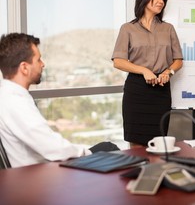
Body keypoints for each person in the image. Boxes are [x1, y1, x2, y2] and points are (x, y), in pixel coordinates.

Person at [0, 33, 119, 168]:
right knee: (109, 148)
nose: (42, 64)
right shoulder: (15, 102)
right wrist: (88, 152)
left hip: (43, 167)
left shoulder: (7, 95)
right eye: (38, 60)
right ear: (24, 68)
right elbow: (52, 147)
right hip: (47, 172)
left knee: (106, 147)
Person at [112, 0, 183, 146]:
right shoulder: (128, 29)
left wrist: (168, 72)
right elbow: (118, 61)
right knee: (136, 146)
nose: (161, 1)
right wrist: (144, 70)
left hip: (161, 91)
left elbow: (178, 60)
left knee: (160, 144)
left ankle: (155, 172)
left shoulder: (168, 29)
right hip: (136, 91)